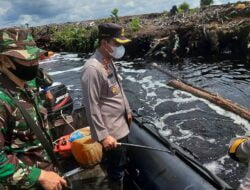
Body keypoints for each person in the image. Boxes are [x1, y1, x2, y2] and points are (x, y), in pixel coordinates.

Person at [0, 28, 67, 190]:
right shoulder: (3, 100)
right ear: (4, 60)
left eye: (35, 57)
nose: (34, 63)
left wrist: (46, 89)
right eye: (28, 59)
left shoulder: (28, 80)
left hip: (49, 170)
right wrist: (38, 176)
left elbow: (45, 79)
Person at [80, 23, 132, 190]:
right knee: (116, 172)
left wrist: (128, 112)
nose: (120, 47)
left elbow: (117, 91)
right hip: (112, 134)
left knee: (121, 166)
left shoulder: (108, 61)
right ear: (104, 43)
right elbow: (91, 105)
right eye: (116, 43)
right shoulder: (92, 69)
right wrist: (103, 136)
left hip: (122, 126)